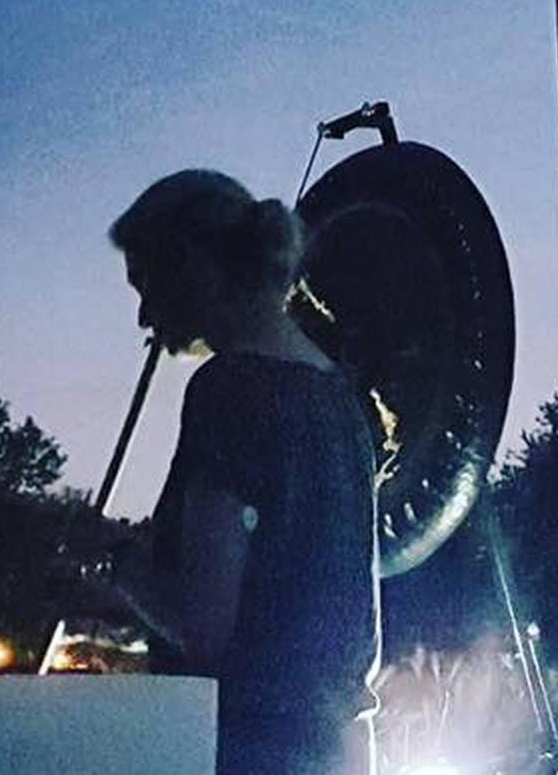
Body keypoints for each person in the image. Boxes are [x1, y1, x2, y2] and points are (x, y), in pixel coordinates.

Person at [105, 169, 380, 775]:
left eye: (146, 284)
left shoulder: (229, 390)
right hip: (337, 750)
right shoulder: (342, 398)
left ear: (194, 263)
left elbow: (205, 627)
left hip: (246, 749)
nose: (146, 315)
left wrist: (118, 562)